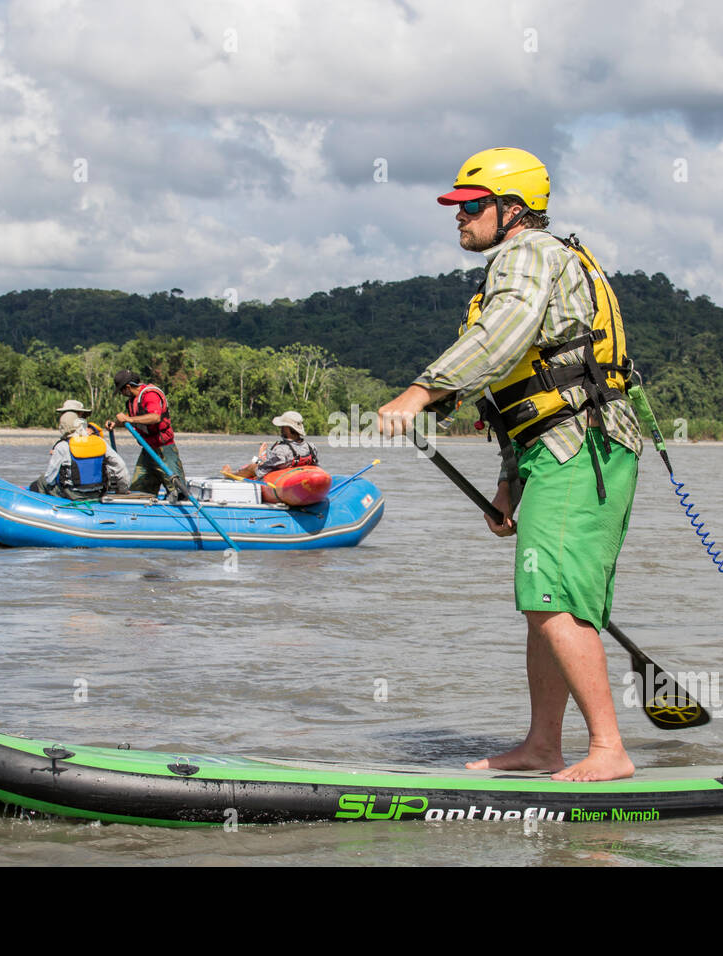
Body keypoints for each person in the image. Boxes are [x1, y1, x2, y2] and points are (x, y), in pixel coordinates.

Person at [377, 147, 644, 782]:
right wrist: (508, 484)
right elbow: (518, 392)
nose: (458, 218)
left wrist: (422, 390)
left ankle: (609, 749)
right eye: (456, 208)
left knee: (557, 600)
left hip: (583, 449)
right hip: (551, 450)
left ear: (512, 210)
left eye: (471, 206)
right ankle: (543, 747)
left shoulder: (529, 254)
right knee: (543, 604)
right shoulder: (525, 259)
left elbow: (501, 338)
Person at [105, 370, 187, 498]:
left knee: (179, 491)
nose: (122, 394)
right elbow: (135, 418)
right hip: (148, 451)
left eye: (121, 391)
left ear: (127, 387)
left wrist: (129, 420)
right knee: (137, 491)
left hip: (164, 450)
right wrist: (116, 424)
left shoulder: (150, 395)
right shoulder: (133, 401)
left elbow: (155, 417)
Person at [30, 409, 131, 499]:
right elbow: (120, 466)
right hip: (98, 493)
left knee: (41, 481)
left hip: (73, 494)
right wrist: (122, 490)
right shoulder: (100, 441)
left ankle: (47, 506)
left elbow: (49, 479)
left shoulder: (62, 446)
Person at [221, 411, 319, 481]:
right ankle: (260, 456)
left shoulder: (281, 450)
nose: (280, 428)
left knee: (253, 465)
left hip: (278, 469)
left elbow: (261, 469)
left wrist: (258, 461)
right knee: (259, 460)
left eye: (282, 427)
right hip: (283, 465)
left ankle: (230, 475)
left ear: (288, 428)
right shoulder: (312, 447)